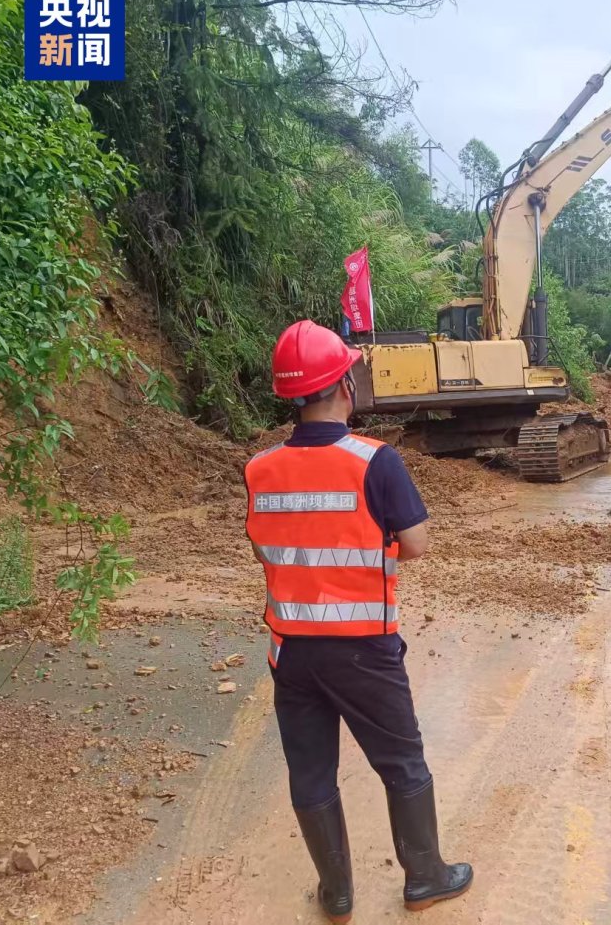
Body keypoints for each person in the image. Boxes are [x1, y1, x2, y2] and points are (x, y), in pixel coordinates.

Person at [244, 320, 472, 923]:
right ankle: (425, 877)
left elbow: (266, 547)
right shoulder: (375, 461)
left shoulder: (260, 468)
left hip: (292, 652)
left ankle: (338, 894)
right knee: (401, 763)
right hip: (363, 649)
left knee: (311, 770)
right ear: (345, 385)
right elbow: (416, 543)